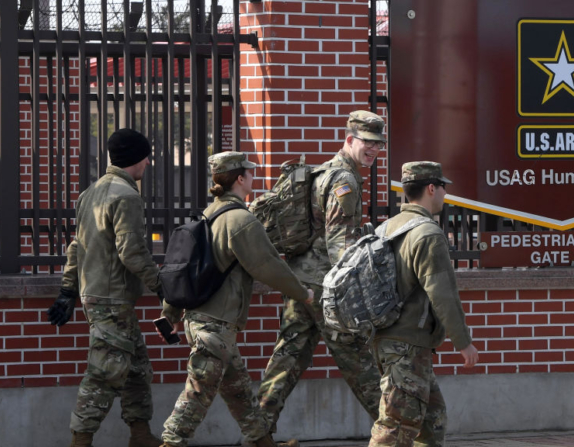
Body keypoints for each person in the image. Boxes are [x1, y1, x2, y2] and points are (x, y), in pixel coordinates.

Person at [158, 152, 314, 447]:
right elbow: (268, 266)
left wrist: (172, 313)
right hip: (215, 326)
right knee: (198, 394)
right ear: (240, 179)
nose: (253, 178)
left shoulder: (208, 215)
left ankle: (261, 441)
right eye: (250, 173)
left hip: (203, 321)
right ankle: (170, 443)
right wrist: (302, 293)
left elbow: (184, 268)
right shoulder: (240, 220)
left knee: (239, 392)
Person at [255, 111, 385, 438]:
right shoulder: (344, 180)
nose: (373, 150)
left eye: (378, 145)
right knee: (359, 362)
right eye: (367, 143)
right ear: (350, 140)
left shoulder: (322, 172)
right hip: (326, 286)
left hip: (301, 280)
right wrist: (354, 291)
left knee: (287, 359)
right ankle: (397, 434)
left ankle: (257, 433)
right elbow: (339, 243)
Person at [47, 128, 164, 447]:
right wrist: (161, 284)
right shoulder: (127, 196)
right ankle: (80, 441)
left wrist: (68, 291)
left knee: (137, 369)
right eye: (147, 157)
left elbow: (76, 247)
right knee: (105, 373)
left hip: (99, 296)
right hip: (112, 299)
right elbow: (133, 252)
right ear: (138, 159)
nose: (149, 163)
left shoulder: (91, 192)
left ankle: (140, 435)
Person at [368, 161, 480, 447]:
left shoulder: (387, 228)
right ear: (432, 188)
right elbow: (442, 293)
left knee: (431, 420)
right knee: (395, 427)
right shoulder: (428, 234)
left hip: (389, 340)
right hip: (408, 345)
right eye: (443, 187)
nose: (445, 193)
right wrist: (463, 341)